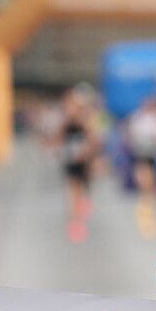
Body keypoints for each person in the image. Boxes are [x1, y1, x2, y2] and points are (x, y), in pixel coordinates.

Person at [56, 84, 102, 243]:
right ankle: (76, 223)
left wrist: (89, 154)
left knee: (83, 187)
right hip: (70, 160)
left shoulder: (86, 120)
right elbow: (58, 138)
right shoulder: (66, 122)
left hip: (84, 160)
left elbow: (94, 139)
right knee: (72, 190)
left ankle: (82, 207)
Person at [124, 96, 156, 238]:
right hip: (140, 152)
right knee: (143, 177)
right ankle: (145, 205)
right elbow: (129, 132)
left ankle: (148, 206)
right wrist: (132, 142)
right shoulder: (137, 117)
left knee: (151, 181)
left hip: (153, 152)